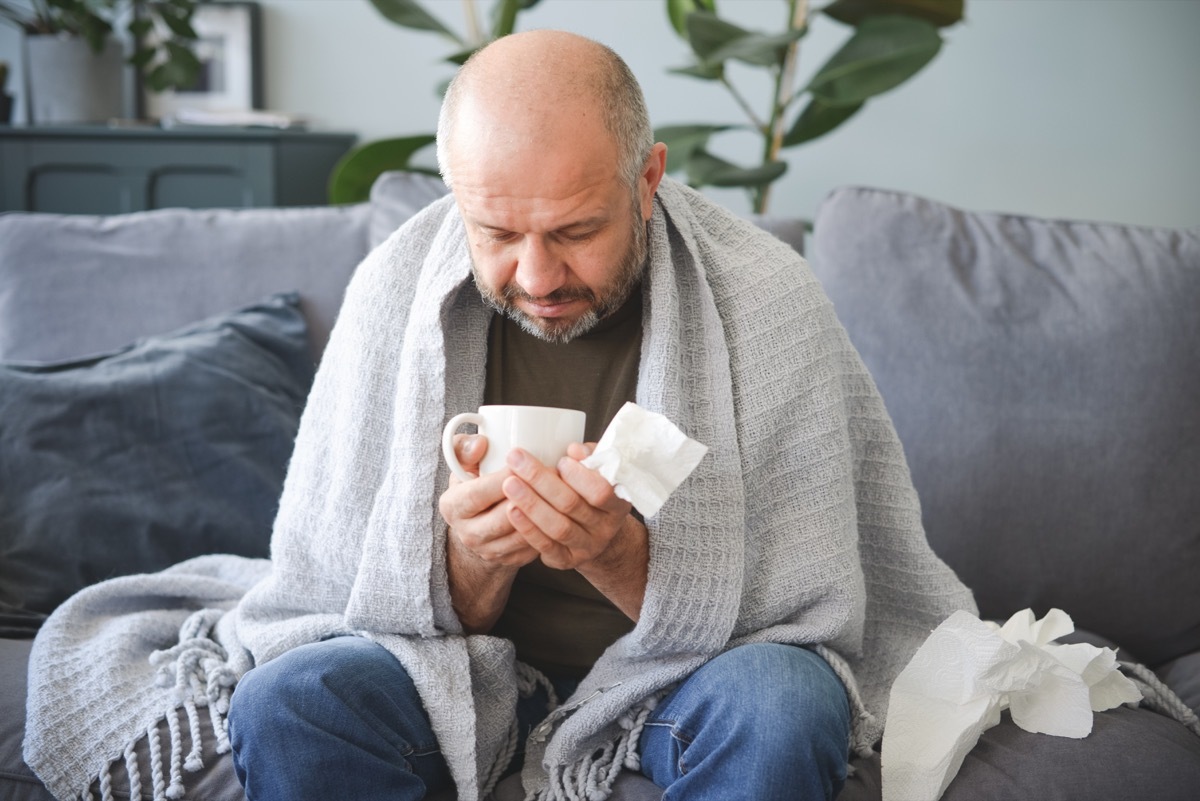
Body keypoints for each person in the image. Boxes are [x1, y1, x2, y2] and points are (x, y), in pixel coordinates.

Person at [220, 29, 974, 801]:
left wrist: (615, 554)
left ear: (647, 180)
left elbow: (805, 611)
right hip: (451, 672)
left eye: (576, 231)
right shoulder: (393, 289)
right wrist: (476, 560)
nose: (538, 277)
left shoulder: (767, 299)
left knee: (784, 702)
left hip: (683, 683)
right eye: (500, 234)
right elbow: (342, 595)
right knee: (289, 699)